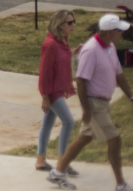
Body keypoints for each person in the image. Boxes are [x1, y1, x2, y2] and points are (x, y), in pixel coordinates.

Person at [53, 13, 131, 188]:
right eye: (120, 31)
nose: (122, 34)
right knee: (115, 138)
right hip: (94, 103)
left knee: (84, 137)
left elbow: (119, 75)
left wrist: (131, 96)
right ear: (110, 31)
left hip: (103, 102)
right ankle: (121, 184)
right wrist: (86, 109)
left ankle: (57, 172)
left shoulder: (109, 47)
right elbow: (81, 80)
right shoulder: (91, 50)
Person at [38, 9, 78, 175]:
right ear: (60, 25)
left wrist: (75, 51)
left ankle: (40, 160)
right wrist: (45, 98)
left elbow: (63, 58)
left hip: (58, 89)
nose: (73, 25)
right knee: (69, 122)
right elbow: (45, 73)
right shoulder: (51, 45)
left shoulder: (62, 42)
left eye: (74, 21)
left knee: (47, 124)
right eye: (70, 22)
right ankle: (63, 162)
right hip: (53, 92)